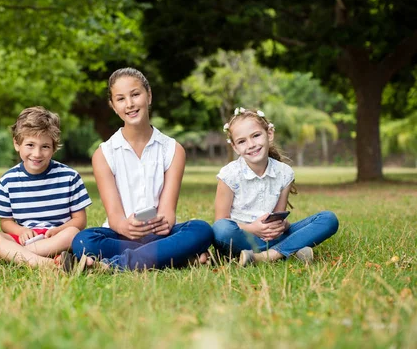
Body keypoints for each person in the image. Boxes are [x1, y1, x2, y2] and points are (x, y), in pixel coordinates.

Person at [71, 67, 214, 271]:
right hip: (121, 236)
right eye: (120, 99)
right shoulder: (104, 154)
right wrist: (125, 226)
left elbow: (168, 213)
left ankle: (117, 264)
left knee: (202, 230)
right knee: (83, 241)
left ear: (149, 96)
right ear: (113, 106)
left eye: (135, 94)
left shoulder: (172, 149)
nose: (129, 104)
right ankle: (175, 257)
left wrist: (163, 223)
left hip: (161, 233)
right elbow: (115, 217)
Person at [212, 107, 339, 266]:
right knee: (221, 230)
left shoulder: (284, 173)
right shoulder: (229, 175)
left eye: (256, 136)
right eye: (242, 141)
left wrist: (282, 225)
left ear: (269, 134)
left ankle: (267, 256)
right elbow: (221, 221)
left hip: (274, 236)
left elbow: (279, 216)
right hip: (243, 236)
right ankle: (291, 249)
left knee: (328, 219)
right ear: (235, 147)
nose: (251, 144)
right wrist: (253, 228)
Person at [0, 106, 92, 269]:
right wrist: (21, 231)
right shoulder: (7, 180)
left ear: (54, 147)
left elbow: (80, 220)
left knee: (73, 234)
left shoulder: (70, 177)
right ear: (17, 144)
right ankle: (45, 263)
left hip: (56, 238)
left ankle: (14, 256)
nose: (37, 153)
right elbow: (6, 223)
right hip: (24, 238)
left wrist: (58, 230)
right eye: (30, 145)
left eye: (45, 146)